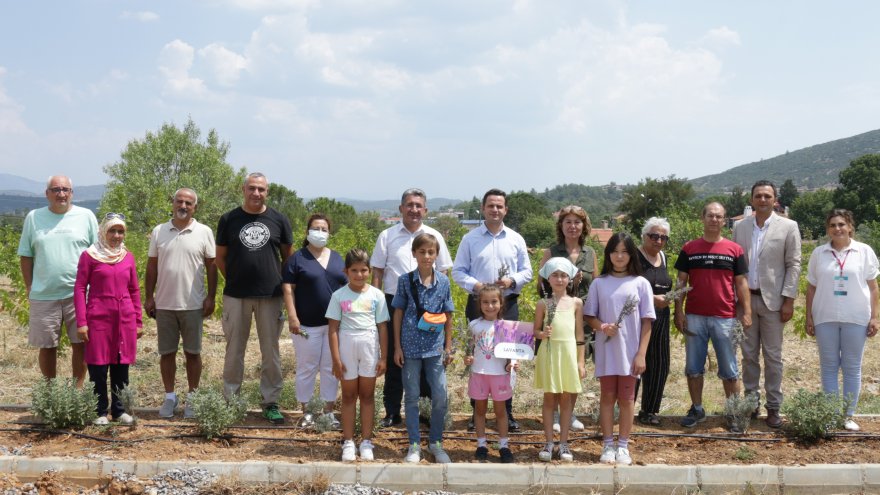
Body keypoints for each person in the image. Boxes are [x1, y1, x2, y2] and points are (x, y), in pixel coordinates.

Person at [370, 188, 453, 427]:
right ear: (401, 208)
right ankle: (393, 412)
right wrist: (375, 304)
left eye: (418, 205)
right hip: (393, 303)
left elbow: (444, 271)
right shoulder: (387, 236)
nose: (414, 210)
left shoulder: (434, 235)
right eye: (409, 205)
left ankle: (426, 413)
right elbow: (378, 271)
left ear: (425, 210)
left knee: (428, 359)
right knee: (395, 357)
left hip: (429, 305)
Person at [216, 172, 293, 425]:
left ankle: (271, 402)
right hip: (236, 296)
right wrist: (237, 279)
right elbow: (220, 258)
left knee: (270, 352)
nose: (256, 193)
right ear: (243, 189)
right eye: (252, 188)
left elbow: (287, 259)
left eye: (261, 189)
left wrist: (281, 286)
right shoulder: (229, 219)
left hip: (271, 296)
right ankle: (232, 402)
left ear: (267, 192)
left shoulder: (279, 220)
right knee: (234, 350)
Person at [452, 188, 532, 431]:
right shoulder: (470, 239)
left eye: (499, 206)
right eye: (491, 206)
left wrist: (512, 281)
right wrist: (477, 286)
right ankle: (476, 413)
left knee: (508, 357)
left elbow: (527, 271)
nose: (495, 210)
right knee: (478, 355)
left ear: (505, 210)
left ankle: (506, 413)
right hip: (478, 304)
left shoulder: (516, 239)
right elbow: (458, 271)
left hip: (507, 305)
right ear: (483, 209)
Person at [674, 202, 752, 432]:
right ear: (703, 218)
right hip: (695, 316)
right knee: (693, 367)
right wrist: (678, 310)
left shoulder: (734, 250)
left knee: (729, 369)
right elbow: (681, 282)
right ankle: (697, 408)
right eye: (710, 215)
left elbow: (741, 283)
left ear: (724, 220)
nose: (714, 220)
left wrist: (746, 312)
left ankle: (733, 412)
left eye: (719, 216)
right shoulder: (689, 248)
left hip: (725, 317)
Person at [732, 181, 802, 428]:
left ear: (775, 199)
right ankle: (751, 404)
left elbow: (794, 264)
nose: (762, 200)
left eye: (767, 196)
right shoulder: (740, 227)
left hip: (774, 302)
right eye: (758, 196)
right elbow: (734, 265)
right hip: (746, 302)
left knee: (773, 357)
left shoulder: (789, 227)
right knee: (749, 356)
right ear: (751, 200)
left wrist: (789, 300)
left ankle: (774, 407)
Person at [18, 175, 98, 386]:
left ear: (72, 193)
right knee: (47, 346)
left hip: (79, 294)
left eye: (65, 189)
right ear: (47, 194)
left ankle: (77, 393)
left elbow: (97, 254)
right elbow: (26, 255)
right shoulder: (34, 218)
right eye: (56, 190)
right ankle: (49, 392)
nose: (61, 194)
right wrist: (29, 287)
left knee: (80, 344)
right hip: (44, 294)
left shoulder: (86, 216)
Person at [145, 188, 217, 419]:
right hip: (165, 304)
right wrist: (149, 297)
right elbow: (152, 266)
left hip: (193, 305)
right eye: (179, 201)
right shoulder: (159, 231)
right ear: (173, 203)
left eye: (188, 203)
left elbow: (212, 266)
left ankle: (193, 398)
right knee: (167, 353)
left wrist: (211, 297)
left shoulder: (204, 232)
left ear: (195, 207)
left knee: (192, 353)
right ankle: (169, 397)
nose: (183, 206)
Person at [805, 209, 879, 432]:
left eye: (841, 224)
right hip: (825, 316)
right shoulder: (819, 253)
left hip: (856, 317)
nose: (837, 229)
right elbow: (811, 287)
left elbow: (873, 287)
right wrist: (808, 316)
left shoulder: (864, 251)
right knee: (828, 367)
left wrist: (875, 316)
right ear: (827, 229)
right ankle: (830, 414)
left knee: (852, 367)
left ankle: (847, 416)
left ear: (850, 227)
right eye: (832, 225)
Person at [585, 233, 655, 466]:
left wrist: (641, 353)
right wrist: (602, 326)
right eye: (615, 251)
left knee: (627, 398)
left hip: (630, 352)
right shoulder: (599, 283)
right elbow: (589, 316)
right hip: (606, 352)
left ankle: (623, 445)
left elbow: (647, 321)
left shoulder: (641, 283)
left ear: (631, 254)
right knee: (607, 396)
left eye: (624, 252)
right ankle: (607, 443)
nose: (619, 256)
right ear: (608, 255)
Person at [73, 214, 142, 425]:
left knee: (121, 365)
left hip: (124, 318)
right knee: (99, 366)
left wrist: (138, 320)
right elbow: (79, 288)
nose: (117, 235)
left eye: (120, 231)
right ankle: (100, 411)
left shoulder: (127, 256)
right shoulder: (90, 256)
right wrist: (82, 322)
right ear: (104, 232)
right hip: (99, 317)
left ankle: (119, 411)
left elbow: (134, 289)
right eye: (112, 231)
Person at [393, 233, 455, 464]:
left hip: (434, 348)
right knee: (411, 396)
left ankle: (436, 442)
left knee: (440, 395)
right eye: (422, 252)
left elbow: (448, 315)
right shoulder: (405, 281)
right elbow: (398, 313)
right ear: (414, 254)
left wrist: (449, 346)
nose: (427, 256)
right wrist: (397, 346)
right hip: (409, 348)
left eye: (431, 252)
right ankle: (414, 444)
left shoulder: (444, 282)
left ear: (436, 254)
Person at [282, 214, 347, 428]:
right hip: (306, 325)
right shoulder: (297, 258)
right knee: (306, 367)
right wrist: (293, 316)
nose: (320, 232)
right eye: (315, 228)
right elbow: (288, 288)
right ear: (307, 232)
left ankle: (328, 411)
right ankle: (307, 411)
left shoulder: (338, 258)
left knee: (331, 368)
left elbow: (348, 288)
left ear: (330, 233)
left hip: (334, 326)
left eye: (324, 229)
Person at [537, 205, 598, 433]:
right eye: (568, 222)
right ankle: (553, 414)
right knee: (556, 366)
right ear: (561, 226)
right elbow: (541, 286)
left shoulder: (590, 253)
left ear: (584, 226)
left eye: (577, 222)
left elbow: (596, 285)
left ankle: (569, 413)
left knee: (576, 367)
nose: (573, 226)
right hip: (557, 319)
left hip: (581, 317)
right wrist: (568, 283)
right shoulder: (551, 252)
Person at [326, 248, 389, 462]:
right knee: (349, 396)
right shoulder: (339, 295)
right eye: (354, 270)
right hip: (347, 347)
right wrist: (336, 359)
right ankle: (348, 441)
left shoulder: (377, 295)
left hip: (369, 346)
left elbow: (382, 328)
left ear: (370, 271)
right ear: (346, 271)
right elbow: (333, 328)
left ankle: (367, 441)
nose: (359, 275)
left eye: (364, 270)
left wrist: (383, 357)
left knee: (368, 396)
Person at [533, 257, 586, 463]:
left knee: (566, 400)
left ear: (570, 279)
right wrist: (542, 333)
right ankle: (548, 442)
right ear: (548, 278)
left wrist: (580, 362)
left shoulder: (576, 303)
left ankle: (564, 442)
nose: (560, 279)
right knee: (549, 400)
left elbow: (580, 335)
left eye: (564, 275)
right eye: (555, 275)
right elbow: (535, 331)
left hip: (569, 354)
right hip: (550, 354)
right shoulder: (543, 303)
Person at [464, 284, 516, 463]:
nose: (490, 306)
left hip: (499, 375)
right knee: (479, 410)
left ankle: (503, 445)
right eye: (485, 302)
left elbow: (512, 354)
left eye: (494, 302)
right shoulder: (474, 325)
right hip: (479, 373)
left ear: (501, 303)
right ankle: (481, 444)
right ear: (479, 304)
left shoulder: (507, 327)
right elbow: (469, 348)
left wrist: (512, 364)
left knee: (501, 411)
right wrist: (468, 358)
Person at [634, 217, 673, 426]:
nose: (658, 240)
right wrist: (652, 299)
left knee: (659, 363)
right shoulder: (634, 258)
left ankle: (649, 410)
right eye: (653, 236)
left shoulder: (664, 257)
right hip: (638, 317)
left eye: (662, 237)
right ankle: (626, 406)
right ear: (644, 236)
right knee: (636, 362)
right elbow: (626, 288)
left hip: (661, 317)